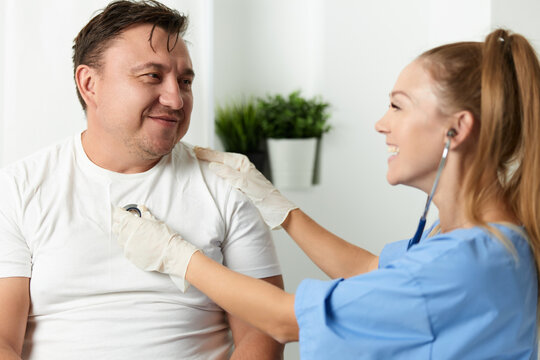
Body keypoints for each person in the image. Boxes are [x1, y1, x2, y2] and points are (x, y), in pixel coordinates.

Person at [113, 27, 540, 359]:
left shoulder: (463, 262)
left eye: (398, 105)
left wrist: (177, 256)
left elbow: (284, 321)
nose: (381, 124)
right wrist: (280, 208)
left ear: (457, 129)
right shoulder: (483, 240)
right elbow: (370, 268)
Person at [0, 1, 285, 359]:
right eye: (152, 76)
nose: (176, 99)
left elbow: (263, 333)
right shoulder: (18, 188)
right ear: (90, 84)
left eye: (184, 81)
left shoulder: (227, 183)